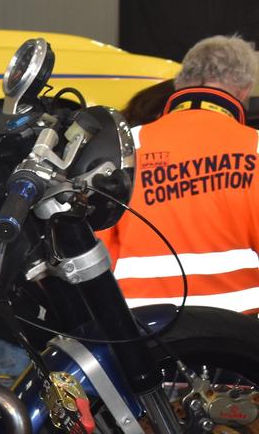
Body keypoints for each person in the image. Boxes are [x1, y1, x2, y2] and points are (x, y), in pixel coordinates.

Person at [101, 35, 259, 315]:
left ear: (180, 83)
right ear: (245, 90)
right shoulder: (255, 148)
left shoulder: (127, 149)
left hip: (143, 335)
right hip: (238, 340)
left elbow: (97, 251)